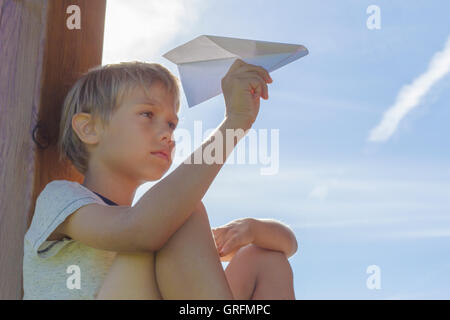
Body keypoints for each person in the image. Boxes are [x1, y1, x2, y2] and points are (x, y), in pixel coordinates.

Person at [23, 59, 298, 300]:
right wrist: (234, 123)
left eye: (171, 124)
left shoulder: (160, 226)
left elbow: (289, 245)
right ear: (89, 128)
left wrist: (250, 229)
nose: (167, 134)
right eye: (147, 114)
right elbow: (141, 229)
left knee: (265, 259)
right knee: (179, 215)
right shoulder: (60, 197)